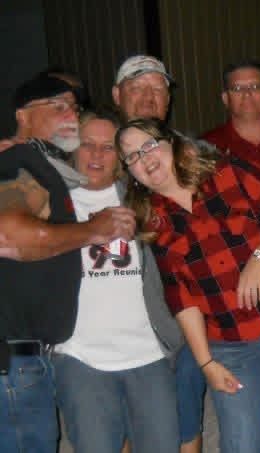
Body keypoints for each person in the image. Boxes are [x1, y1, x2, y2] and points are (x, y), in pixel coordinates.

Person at [116, 118, 260, 453]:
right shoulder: (152, 222)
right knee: (241, 444)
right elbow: (181, 297)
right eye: (132, 156)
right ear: (130, 172)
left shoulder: (226, 172)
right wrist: (206, 363)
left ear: (171, 143)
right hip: (231, 343)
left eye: (149, 145)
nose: (144, 158)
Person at [0, 73, 134, 453]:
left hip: (24, 358)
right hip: (13, 361)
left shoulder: (42, 165)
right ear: (22, 115)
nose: (71, 116)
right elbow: (7, 235)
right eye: (57, 106)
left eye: (74, 108)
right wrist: (93, 230)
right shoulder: (19, 160)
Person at [51, 108, 182, 453]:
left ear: (121, 157)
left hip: (148, 352)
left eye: (107, 146)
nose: (96, 154)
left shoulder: (144, 200)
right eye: (87, 144)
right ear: (73, 149)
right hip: (80, 356)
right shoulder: (52, 203)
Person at [112, 54, 205, 453]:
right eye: (137, 88)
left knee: (185, 425)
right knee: (125, 429)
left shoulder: (193, 156)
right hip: (117, 330)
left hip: (182, 322)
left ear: (168, 99)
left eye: (157, 88)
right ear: (117, 96)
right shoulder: (96, 158)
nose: (149, 97)